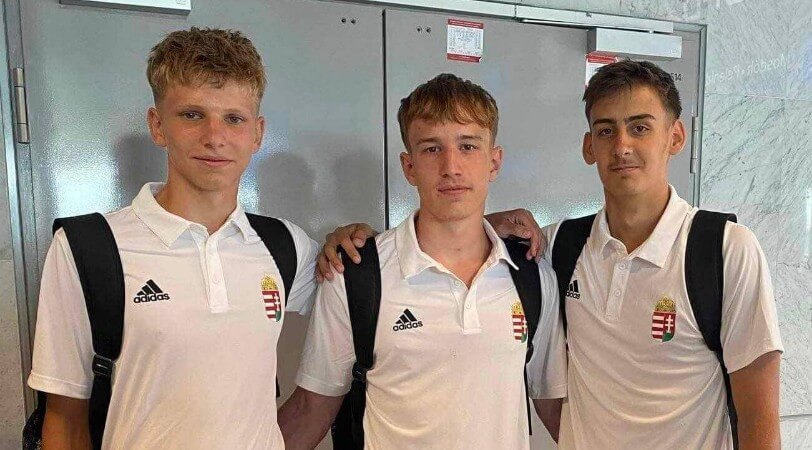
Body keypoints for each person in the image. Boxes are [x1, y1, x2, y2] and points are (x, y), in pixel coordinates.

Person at [320, 61, 783, 449]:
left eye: (640, 127)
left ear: (675, 137)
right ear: (588, 146)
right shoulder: (562, 246)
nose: (622, 145)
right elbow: (453, 234)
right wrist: (364, 241)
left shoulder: (724, 250)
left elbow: (760, 415)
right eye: (606, 130)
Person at [27, 27, 318, 449]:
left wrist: (350, 236)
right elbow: (65, 419)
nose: (215, 137)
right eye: (192, 115)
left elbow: (368, 297)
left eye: (233, 118)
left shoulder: (286, 245)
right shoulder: (87, 248)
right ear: (157, 125)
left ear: (257, 133)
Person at [278, 73, 567, 449]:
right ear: (409, 166)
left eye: (468, 146)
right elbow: (311, 409)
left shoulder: (532, 275)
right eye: (432, 149)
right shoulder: (355, 276)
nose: (451, 166)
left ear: (494, 162)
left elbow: (554, 408)